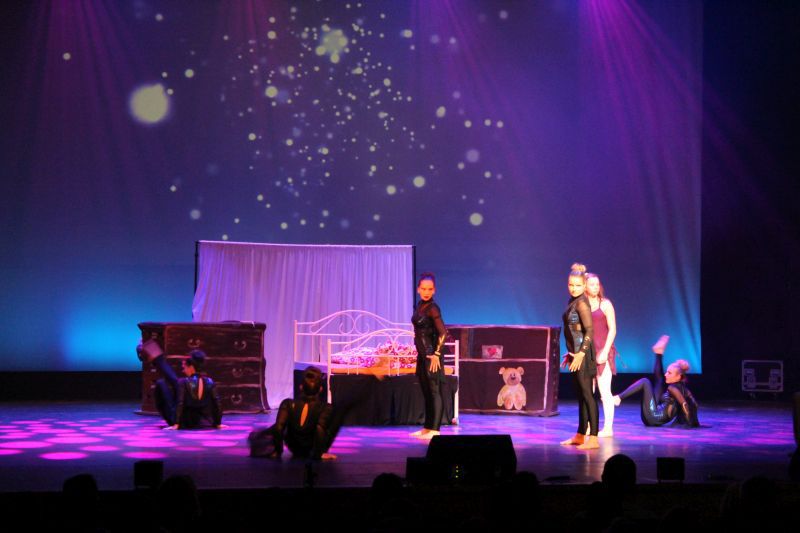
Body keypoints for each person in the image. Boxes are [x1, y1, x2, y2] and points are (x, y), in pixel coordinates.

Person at [248, 365, 338, 460]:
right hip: (311, 449)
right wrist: (318, 454)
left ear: (301, 387)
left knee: (281, 424)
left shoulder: (287, 404)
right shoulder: (326, 407)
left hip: (295, 448)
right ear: (320, 389)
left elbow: (279, 428)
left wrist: (278, 451)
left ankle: (259, 438)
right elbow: (319, 429)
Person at [612, 335, 699, 427]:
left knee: (645, 382)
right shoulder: (685, 390)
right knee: (660, 381)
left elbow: (684, 404)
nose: (666, 374)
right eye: (667, 372)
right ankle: (659, 352)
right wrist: (696, 422)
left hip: (652, 417)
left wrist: (690, 425)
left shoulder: (672, 388)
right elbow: (694, 404)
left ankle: (618, 398)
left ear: (679, 376)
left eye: (669, 373)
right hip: (655, 416)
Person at [137, 339, 223, 429]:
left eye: (184, 367)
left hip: (183, 422)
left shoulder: (183, 382)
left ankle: (157, 357)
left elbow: (180, 403)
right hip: (200, 421)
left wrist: (176, 424)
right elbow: (217, 403)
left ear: (191, 367)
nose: (183, 370)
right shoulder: (209, 381)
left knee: (162, 383)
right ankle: (157, 357)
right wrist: (218, 423)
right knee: (174, 382)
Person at [560, 263, 599, 449]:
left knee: (588, 396)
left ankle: (594, 438)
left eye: (577, 285)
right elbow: (575, 331)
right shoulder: (573, 301)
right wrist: (570, 354)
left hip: (583, 357)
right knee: (581, 396)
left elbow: (589, 330)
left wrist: (580, 354)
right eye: (571, 284)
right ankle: (580, 435)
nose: (574, 288)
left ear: (584, 286)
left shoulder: (582, 303)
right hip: (575, 355)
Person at [410, 272, 448, 440]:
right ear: (418, 289)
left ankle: (435, 429)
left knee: (434, 391)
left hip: (432, 356)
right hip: (422, 356)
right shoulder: (419, 306)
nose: (426, 292)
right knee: (426, 391)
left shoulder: (433, 308)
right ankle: (427, 427)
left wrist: (436, 354)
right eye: (424, 289)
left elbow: (443, 333)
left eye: (430, 289)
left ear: (434, 290)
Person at [586, 272, 618, 437]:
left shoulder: (605, 304)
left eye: (597, 284)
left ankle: (608, 428)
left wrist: (605, 351)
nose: (595, 287)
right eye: (592, 284)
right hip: (587, 353)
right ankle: (589, 426)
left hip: (602, 352)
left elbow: (613, 329)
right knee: (588, 392)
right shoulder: (581, 305)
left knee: (605, 391)